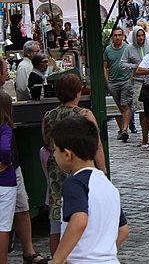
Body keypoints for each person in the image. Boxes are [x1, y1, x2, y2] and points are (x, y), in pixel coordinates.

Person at [47, 115, 128, 264]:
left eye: (55, 150)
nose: (53, 154)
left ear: (67, 154)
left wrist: (57, 259)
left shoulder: (75, 184)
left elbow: (79, 221)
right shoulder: (108, 185)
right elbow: (123, 229)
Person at [41, 74, 107, 256]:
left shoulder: (48, 115)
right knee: (82, 213)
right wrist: (103, 171)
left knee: (56, 220)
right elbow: (97, 145)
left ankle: (57, 257)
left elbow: (47, 142)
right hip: (81, 170)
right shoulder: (85, 115)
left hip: (56, 172)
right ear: (78, 92)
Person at [0, 60, 47, 264]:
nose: (7, 74)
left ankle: (28, 251)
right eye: (5, 71)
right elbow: (5, 141)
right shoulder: (3, 99)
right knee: (5, 221)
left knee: (21, 206)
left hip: (11, 163)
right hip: (8, 164)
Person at [120, 26, 149, 147]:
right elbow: (122, 64)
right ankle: (144, 136)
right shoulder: (129, 48)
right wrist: (134, 66)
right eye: (138, 36)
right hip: (138, 81)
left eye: (142, 35)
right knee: (141, 109)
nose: (140, 38)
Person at [103, 27, 132, 142]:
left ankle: (125, 129)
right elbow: (105, 66)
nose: (117, 37)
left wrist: (131, 78)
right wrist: (107, 81)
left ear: (123, 36)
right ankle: (122, 130)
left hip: (126, 81)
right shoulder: (108, 50)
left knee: (126, 105)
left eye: (119, 35)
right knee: (119, 107)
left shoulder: (128, 48)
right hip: (113, 82)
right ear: (112, 37)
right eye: (115, 35)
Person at [0, 91, 17, 264]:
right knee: (3, 226)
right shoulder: (5, 128)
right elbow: (5, 149)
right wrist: (6, 161)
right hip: (5, 180)